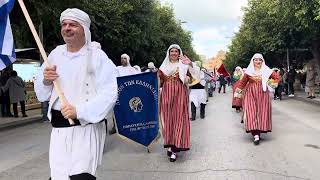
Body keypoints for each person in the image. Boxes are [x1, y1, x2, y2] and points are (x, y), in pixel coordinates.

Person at [34, 8, 118, 180]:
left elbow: (110, 93)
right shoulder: (55, 54)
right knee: (59, 177)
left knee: (81, 176)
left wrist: (79, 111)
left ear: (84, 30)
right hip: (58, 131)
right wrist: (46, 81)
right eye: (64, 25)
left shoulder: (97, 56)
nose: (67, 28)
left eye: (73, 25)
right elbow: (42, 95)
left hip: (85, 129)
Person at [158, 44, 194, 162]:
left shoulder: (183, 65)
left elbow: (192, 77)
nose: (173, 53)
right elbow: (158, 82)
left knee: (178, 119)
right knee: (168, 119)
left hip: (180, 94)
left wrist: (190, 65)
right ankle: (169, 143)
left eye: (175, 51)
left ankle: (174, 148)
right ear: (168, 53)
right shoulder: (163, 67)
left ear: (179, 53)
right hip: (167, 94)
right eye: (171, 51)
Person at [235, 53, 279, 145]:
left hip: (263, 94)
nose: (258, 61)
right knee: (251, 112)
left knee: (262, 113)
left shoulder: (267, 70)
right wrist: (238, 94)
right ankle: (255, 135)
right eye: (256, 59)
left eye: (260, 60)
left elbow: (277, 77)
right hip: (250, 93)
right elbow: (242, 83)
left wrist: (270, 84)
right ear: (253, 61)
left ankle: (259, 131)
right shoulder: (248, 71)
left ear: (262, 61)